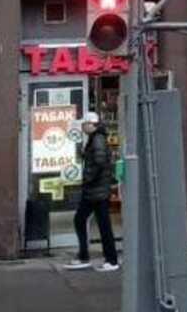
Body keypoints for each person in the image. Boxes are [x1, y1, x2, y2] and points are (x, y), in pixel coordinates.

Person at [65, 112, 119, 271]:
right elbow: (96, 159)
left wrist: (88, 177)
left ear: (91, 124)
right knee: (90, 221)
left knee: (94, 223)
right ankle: (90, 257)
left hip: (96, 190)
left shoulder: (98, 139)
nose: (82, 127)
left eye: (84, 124)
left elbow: (99, 162)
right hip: (95, 190)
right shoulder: (95, 138)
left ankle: (109, 260)